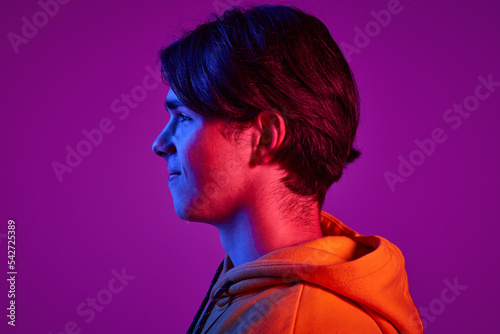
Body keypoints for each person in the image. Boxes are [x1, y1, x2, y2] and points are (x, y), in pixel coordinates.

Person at [152, 4, 424, 334]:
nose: (160, 144)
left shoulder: (304, 322)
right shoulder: (254, 293)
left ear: (265, 138)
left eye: (183, 118)